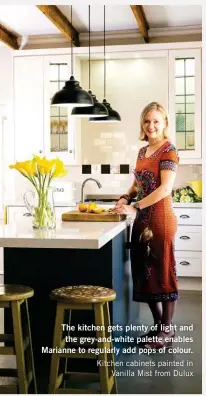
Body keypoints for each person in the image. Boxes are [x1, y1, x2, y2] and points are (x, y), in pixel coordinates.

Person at [112, 102, 179, 350]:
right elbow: (137, 183)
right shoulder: (142, 152)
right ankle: (159, 324)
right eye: (147, 121)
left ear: (165, 124)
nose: (151, 126)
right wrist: (124, 198)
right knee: (145, 273)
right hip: (142, 223)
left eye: (156, 121)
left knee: (162, 272)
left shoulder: (168, 150)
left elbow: (164, 189)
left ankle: (167, 330)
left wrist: (135, 206)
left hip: (160, 221)